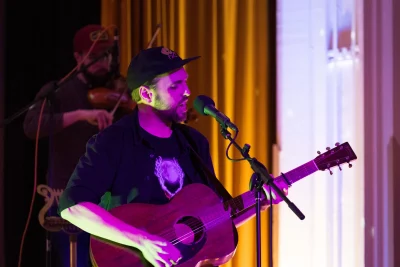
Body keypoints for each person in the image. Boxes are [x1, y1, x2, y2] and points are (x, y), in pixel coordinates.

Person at [58, 46, 287, 267]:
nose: (187, 91)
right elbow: (72, 208)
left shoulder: (194, 143)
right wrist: (142, 241)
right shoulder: (113, 142)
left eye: (185, 82)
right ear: (147, 94)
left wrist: (260, 201)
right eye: (176, 86)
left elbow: (212, 221)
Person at [23, 24, 129, 267]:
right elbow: (31, 126)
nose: (104, 63)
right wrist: (80, 114)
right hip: (67, 198)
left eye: (107, 56)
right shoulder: (58, 92)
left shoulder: (119, 90)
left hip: (110, 200)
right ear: (78, 58)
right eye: (94, 57)